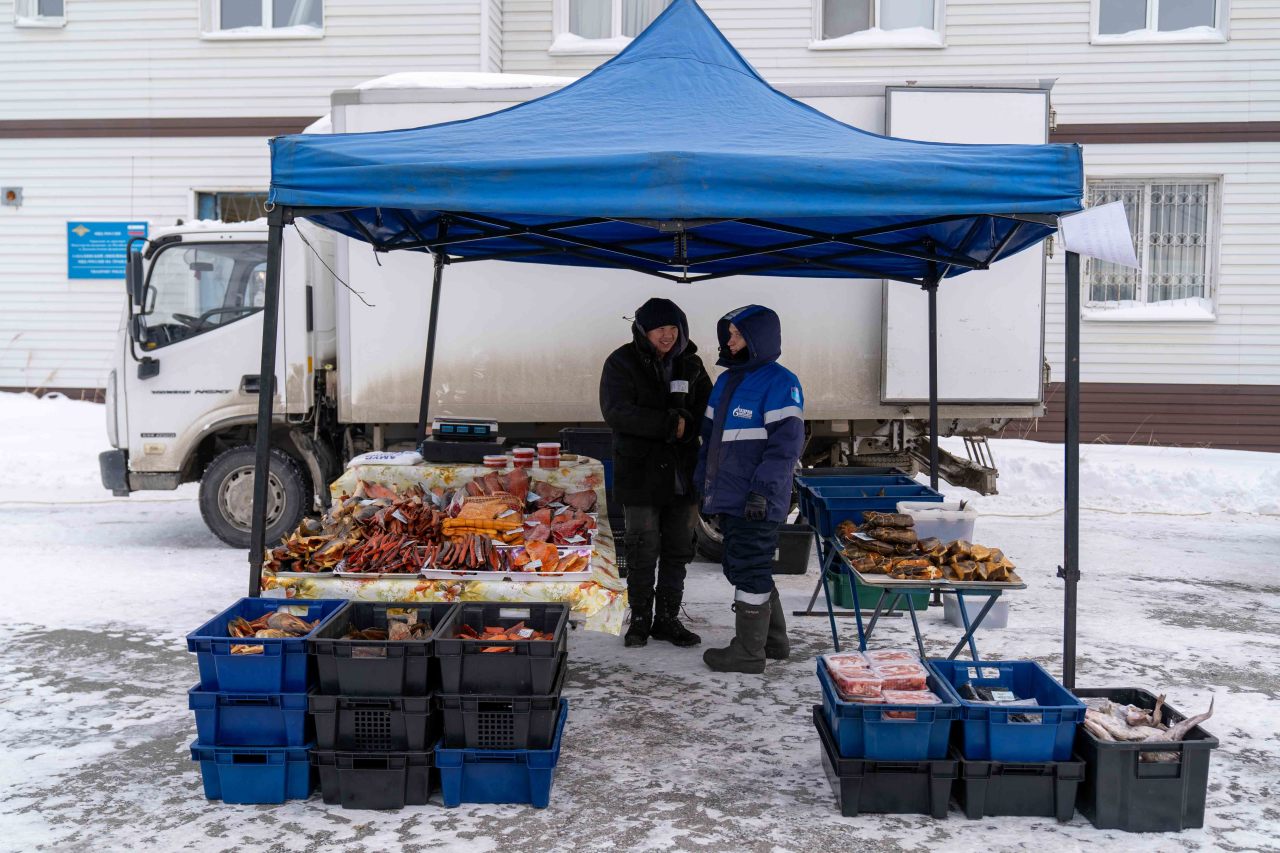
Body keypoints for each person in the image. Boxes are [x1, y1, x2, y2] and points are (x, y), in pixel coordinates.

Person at [695, 305, 804, 674]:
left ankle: (747, 653)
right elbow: (710, 442)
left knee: (749, 567)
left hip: (757, 498)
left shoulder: (780, 382)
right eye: (728, 334)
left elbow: (785, 447)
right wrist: (703, 485)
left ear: (759, 338)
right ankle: (773, 641)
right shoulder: (726, 381)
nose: (730, 341)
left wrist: (763, 491)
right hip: (729, 495)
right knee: (741, 565)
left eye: (738, 334)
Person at [600, 297, 712, 648]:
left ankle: (667, 619)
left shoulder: (690, 364)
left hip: (682, 473)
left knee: (679, 548)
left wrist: (687, 423)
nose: (667, 335)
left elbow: (706, 407)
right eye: (660, 328)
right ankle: (640, 620)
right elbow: (616, 411)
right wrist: (669, 425)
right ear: (643, 330)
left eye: (673, 328)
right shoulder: (621, 362)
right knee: (642, 548)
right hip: (640, 473)